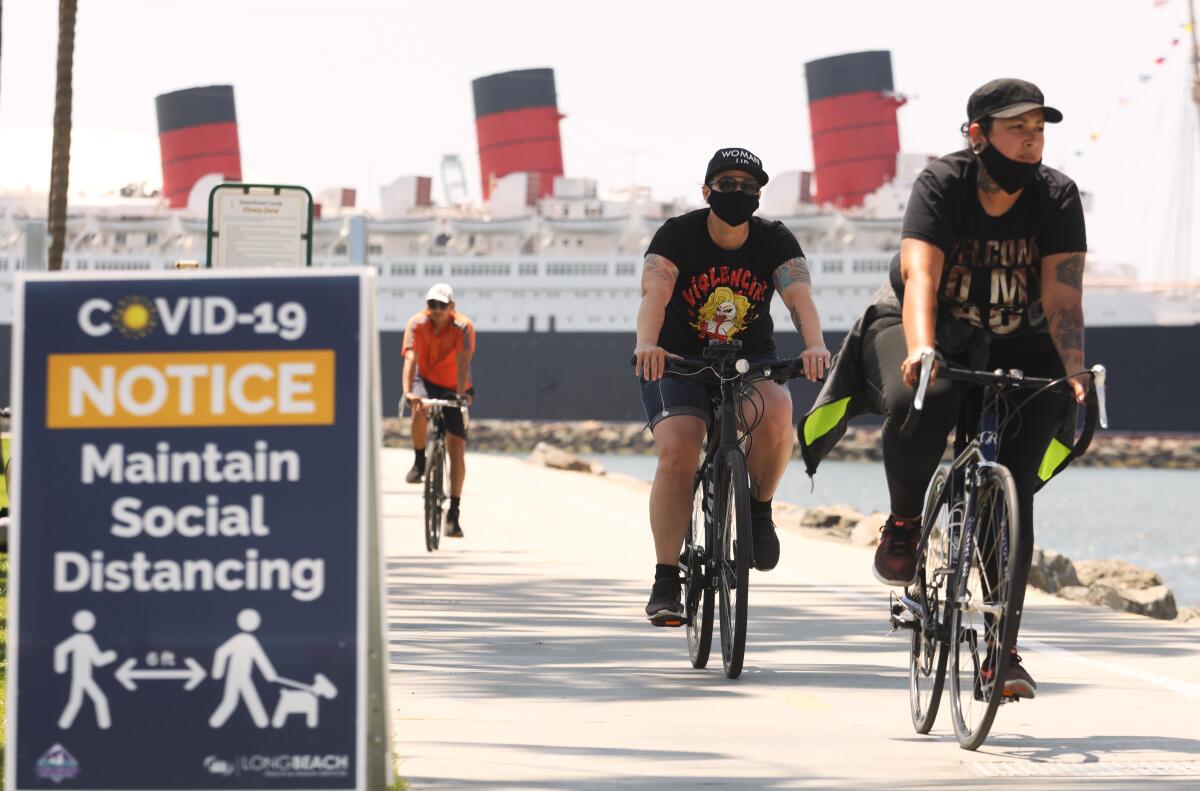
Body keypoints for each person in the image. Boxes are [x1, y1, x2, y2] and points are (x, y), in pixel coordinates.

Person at [799, 79, 1088, 698]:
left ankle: (1001, 650)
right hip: (927, 323)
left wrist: (1073, 367)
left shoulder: (1057, 194)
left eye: (1039, 129)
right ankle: (905, 522)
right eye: (1017, 129)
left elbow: (1063, 293)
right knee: (917, 402)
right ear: (978, 134)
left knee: (1014, 489)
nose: (1032, 141)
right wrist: (925, 347)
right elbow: (920, 275)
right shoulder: (942, 184)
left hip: (1018, 338)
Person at [634, 147, 831, 626]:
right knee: (679, 451)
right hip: (677, 360)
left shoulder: (774, 239)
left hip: (750, 359)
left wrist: (814, 346)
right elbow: (655, 293)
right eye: (726, 185)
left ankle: (759, 511)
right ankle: (665, 581)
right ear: (707, 192)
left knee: (778, 408)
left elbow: (798, 297)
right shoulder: (677, 234)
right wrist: (647, 344)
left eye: (747, 187)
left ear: (759, 196)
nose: (737, 193)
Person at [403, 283, 475, 538]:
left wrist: (460, 395)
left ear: (452, 307)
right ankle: (420, 460)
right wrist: (408, 392)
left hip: (454, 383)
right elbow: (411, 358)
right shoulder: (417, 324)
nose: (436, 310)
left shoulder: (463, 327)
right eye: (432, 305)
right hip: (425, 380)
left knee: (456, 447)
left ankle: (454, 513)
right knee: (418, 409)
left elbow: (464, 361)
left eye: (442, 305)